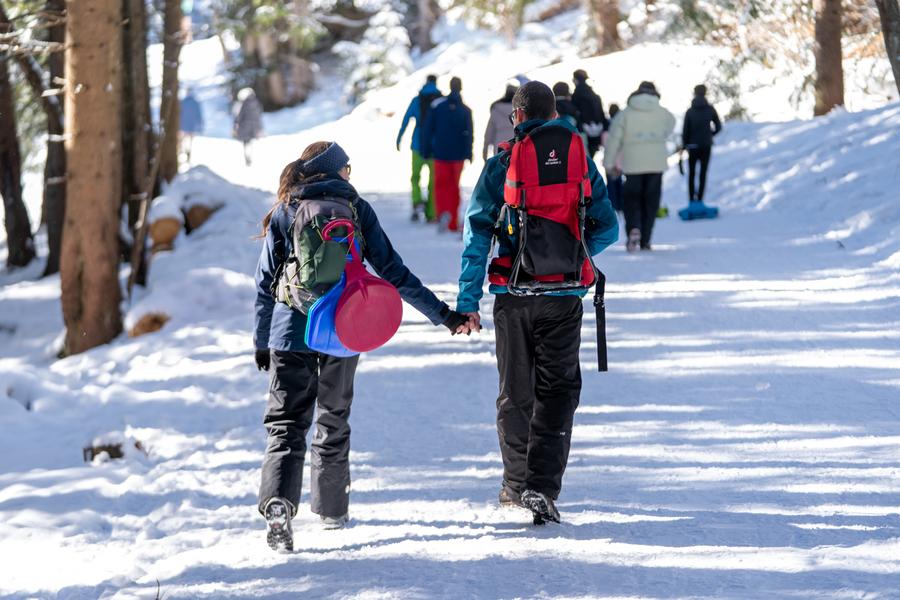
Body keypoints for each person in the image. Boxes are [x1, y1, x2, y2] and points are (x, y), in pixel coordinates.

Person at [254, 141, 469, 552]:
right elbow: (395, 273)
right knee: (333, 416)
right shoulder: (354, 208)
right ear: (337, 171)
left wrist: (262, 338)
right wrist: (445, 315)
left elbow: (266, 282)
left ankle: (279, 503)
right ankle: (332, 509)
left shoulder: (287, 208)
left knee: (286, 423)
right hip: (341, 327)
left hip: (290, 332)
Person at [456, 81, 618, 523]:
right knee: (559, 391)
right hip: (565, 296)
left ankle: (514, 484)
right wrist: (571, 253)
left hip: (512, 296)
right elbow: (607, 229)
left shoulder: (501, 164)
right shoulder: (579, 159)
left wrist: (467, 300)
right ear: (555, 114)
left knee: (515, 393)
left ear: (518, 116)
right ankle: (543, 488)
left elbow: (477, 238)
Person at [603, 81, 675, 252]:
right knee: (651, 201)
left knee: (632, 200)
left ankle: (633, 228)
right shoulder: (663, 112)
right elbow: (670, 126)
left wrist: (609, 163)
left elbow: (614, 139)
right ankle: (646, 240)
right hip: (656, 163)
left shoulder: (625, 113)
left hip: (632, 164)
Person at [421, 76, 473, 233]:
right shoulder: (465, 110)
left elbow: (428, 129)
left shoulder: (438, 107)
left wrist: (426, 149)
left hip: (440, 153)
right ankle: (452, 221)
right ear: (461, 88)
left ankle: (441, 214)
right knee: (454, 188)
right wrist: (468, 152)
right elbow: (469, 133)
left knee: (440, 186)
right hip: (457, 156)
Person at [396, 74, 442, 222]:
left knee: (415, 177)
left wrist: (399, 137)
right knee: (433, 180)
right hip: (435, 147)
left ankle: (417, 201)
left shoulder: (417, 100)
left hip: (417, 145)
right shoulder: (440, 101)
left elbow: (406, 119)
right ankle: (430, 213)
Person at [682, 84, 722, 204]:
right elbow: (718, 126)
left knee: (692, 174)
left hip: (692, 147)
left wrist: (685, 145)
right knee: (703, 173)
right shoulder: (710, 109)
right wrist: (710, 135)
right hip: (706, 145)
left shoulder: (690, 111)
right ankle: (700, 200)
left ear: (694, 93)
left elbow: (685, 131)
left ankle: (691, 201)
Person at [571, 70, 608, 158]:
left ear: (576, 80)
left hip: (583, 132)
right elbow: (602, 114)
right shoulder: (594, 95)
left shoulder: (576, 95)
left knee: (586, 160)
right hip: (598, 129)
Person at [482, 84, 517, 160]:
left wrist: (485, 152)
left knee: (500, 168)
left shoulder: (496, 109)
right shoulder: (519, 110)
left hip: (499, 145)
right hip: (515, 145)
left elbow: (489, 133)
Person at [602, 103, 624, 212]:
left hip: (609, 159)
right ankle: (620, 205)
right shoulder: (621, 124)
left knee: (611, 185)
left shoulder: (606, 125)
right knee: (619, 183)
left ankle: (613, 206)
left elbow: (604, 142)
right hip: (620, 159)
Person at [233, 87, 263, 166]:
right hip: (254, 127)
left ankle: (247, 158)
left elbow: (238, 116)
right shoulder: (256, 102)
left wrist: (235, 125)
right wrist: (259, 127)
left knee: (245, 143)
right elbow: (259, 116)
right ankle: (250, 157)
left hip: (244, 127)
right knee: (250, 142)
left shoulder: (242, 104)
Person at [179, 88, 204, 164]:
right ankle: (188, 151)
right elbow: (199, 115)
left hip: (183, 125)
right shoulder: (195, 103)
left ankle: (184, 151)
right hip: (191, 125)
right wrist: (200, 124)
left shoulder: (183, 102)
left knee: (182, 140)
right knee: (189, 140)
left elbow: (179, 113)